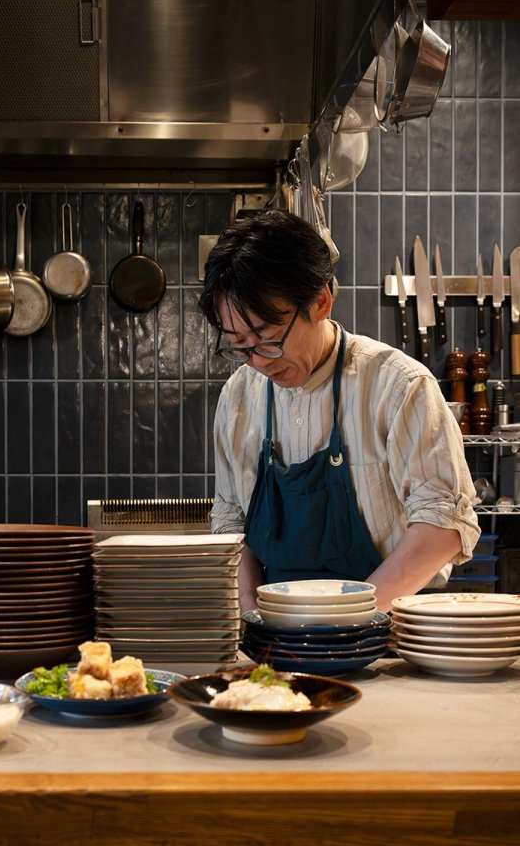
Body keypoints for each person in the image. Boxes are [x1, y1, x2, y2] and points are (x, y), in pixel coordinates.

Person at [200, 209, 479, 614]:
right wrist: (251, 617)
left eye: (268, 340)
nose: (258, 362)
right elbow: (230, 524)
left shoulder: (398, 386)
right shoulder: (238, 398)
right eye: (239, 345)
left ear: (321, 302)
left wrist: (347, 621)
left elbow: (444, 527)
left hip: (387, 636)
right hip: (276, 638)